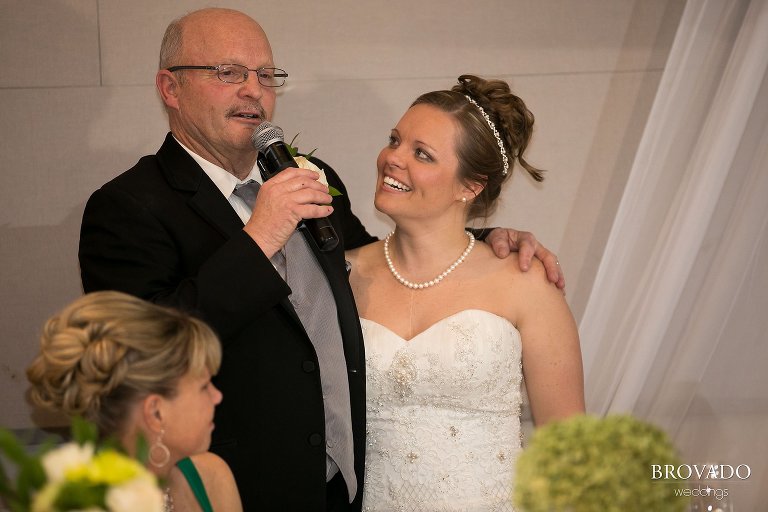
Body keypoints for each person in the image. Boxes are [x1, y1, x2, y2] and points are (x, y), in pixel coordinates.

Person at [78, 8, 564, 510]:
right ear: (170, 88)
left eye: (266, 75)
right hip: (236, 491)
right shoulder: (128, 207)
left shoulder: (307, 176)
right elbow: (134, 359)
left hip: (345, 492)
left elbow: (377, 258)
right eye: (228, 73)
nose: (254, 90)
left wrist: (485, 239)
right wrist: (259, 237)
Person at [346, 75, 585, 510]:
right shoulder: (340, 274)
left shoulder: (526, 282)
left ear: (469, 186)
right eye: (394, 140)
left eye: (422, 154)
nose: (392, 159)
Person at [26, 291, 243, 512]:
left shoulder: (212, 476)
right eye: (204, 386)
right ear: (156, 412)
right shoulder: (84, 504)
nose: (218, 396)